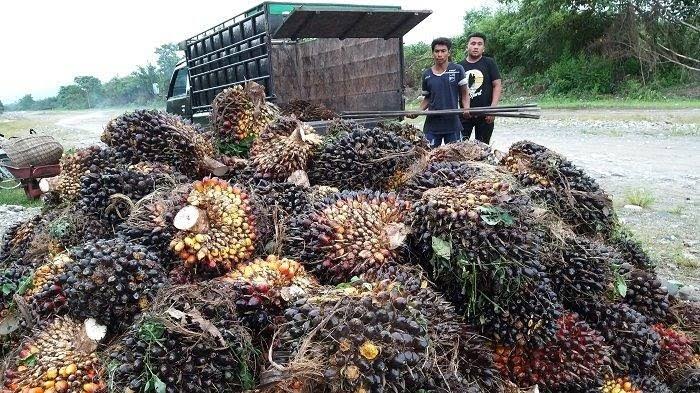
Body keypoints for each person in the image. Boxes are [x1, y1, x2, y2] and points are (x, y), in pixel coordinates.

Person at [412, 37, 470, 148]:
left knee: (456, 157)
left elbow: (464, 93)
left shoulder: (458, 69)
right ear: (433, 53)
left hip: (452, 123)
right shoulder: (427, 74)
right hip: (432, 125)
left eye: (443, 51)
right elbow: (428, 98)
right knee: (429, 157)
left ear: (448, 53)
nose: (440, 54)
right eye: (437, 51)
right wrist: (418, 111)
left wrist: (466, 108)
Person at [459, 32, 502, 144]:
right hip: (465, 114)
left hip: (485, 114)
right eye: (473, 43)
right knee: (459, 147)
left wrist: (492, 109)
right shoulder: (459, 67)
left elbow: (497, 85)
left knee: (483, 148)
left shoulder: (489, 63)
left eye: (479, 44)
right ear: (467, 46)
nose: (476, 46)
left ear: (483, 48)